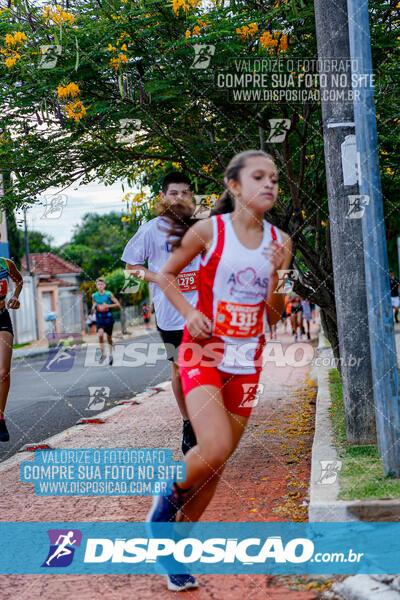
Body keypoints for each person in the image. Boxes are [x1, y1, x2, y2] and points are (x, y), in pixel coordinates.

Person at [147, 150, 292, 591]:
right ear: (234, 186)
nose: (269, 184)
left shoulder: (280, 242)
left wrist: (272, 277)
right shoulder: (208, 231)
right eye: (258, 177)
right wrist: (189, 313)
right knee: (212, 445)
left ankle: (173, 553)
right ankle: (165, 498)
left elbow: (274, 316)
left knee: (216, 464)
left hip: (247, 362)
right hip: (203, 353)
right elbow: (166, 275)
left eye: (274, 178)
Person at [121, 172, 201, 456]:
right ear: (162, 197)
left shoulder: (202, 226)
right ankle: (189, 422)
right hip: (170, 315)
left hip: (203, 310)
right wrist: (159, 279)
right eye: (174, 193)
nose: (179, 198)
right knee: (180, 369)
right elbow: (132, 267)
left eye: (185, 193)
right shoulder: (150, 230)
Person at [0, 256, 23, 442]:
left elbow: (19, 280)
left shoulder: (6, 263)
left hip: (2, 318)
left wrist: (15, 296)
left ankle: (0, 418)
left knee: (3, 372)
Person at [91, 278, 120, 365]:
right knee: (100, 334)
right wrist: (93, 308)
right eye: (98, 285)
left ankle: (111, 354)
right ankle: (103, 354)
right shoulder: (94, 295)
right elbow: (94, 304)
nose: (100, 286)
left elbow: (117, 304)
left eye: (101, 284)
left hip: (108, 317)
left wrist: (108, 305)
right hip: (99, 317)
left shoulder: (109, 294)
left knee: (109, 338)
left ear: (104, 285)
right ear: (96, 286)